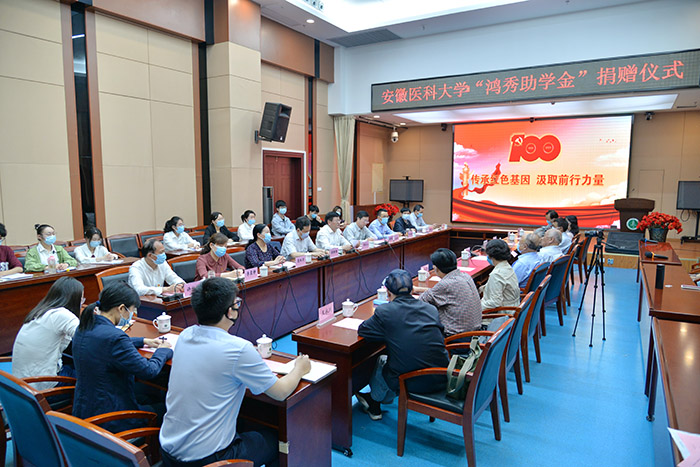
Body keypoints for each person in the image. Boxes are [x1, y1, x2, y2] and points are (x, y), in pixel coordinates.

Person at [159, 277, 311, 466]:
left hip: (168, 450)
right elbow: (280, 392)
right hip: (206, 460)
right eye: (236, 303)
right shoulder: (238, 349)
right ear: (229, 312)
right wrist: (299, 368)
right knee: (275, 440)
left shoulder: (185, 335)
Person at [72, 281, 173, 434]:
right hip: (112, 418)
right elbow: (149, 371)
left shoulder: (85, 326)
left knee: (149, 395)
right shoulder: (115, 337)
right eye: (132, 310)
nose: (132, 314)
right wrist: (163, 351)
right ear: (121, 309)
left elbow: (105, 343)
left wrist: (143, 341)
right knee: (168, 408)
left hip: (85, 408)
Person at [356, 269, 449, 421]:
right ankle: (378, 399)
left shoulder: (385, 311)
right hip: (442, 375)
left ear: (388, 293)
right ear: (412, 290)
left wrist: (387, 332)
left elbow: (363, 330)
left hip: (412, 381)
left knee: (382, 359)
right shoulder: (430, 309)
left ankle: (374, 403)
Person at [12, 276, 83, 390]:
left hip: (23, 384)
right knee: (96, 376)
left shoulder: (40, 311)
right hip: (44, 386)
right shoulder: (62, 315)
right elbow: (86, 338)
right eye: (82, 300)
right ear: (74, 300)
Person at [413, 249, 482, 335]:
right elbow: (437, 292)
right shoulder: (465, 276)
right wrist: (418, 289)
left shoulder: (445, 285)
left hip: (456, 337)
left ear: (435, 268)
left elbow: (420, 301)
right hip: (473, 332)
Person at [481, 239, 520, 311]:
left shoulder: (496, 274)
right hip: (512, 308)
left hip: (503, 313)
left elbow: (494, 303)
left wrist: (475, 307)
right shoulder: (507, 266)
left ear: (491, 255)